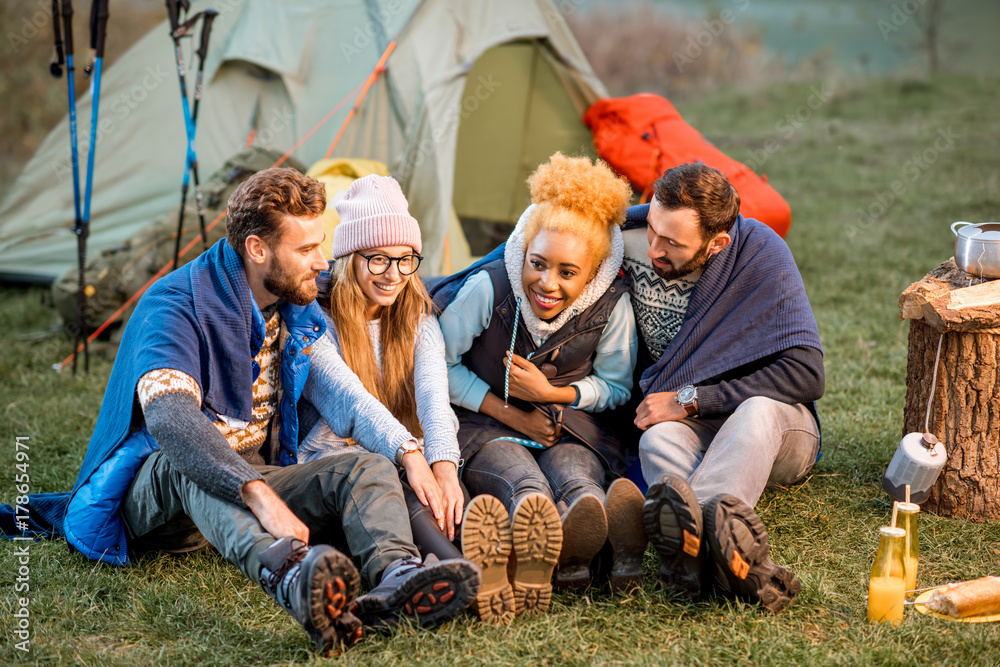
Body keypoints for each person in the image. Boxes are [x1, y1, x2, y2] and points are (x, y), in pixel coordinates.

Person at [61, 168, 479, 656]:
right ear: (258, 249)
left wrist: (413, 452)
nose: (323, 263)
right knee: (190, 456)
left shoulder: (293, 304)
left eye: (321, 245)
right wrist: (257, 493)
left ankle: (397, 579)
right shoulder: (174, 305)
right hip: (161, 497)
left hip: (254, 476)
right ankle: (291, 574)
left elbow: (359, 382)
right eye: (307, 251)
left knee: (365, 466)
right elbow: (172, 419)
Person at [435, 153, 647, 622]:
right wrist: (509, 411)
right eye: (537, 264)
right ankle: (545, 531)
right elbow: (437, 366)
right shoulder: (488, 289)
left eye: (567, 273)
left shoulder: (613, 307)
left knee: (577, 475)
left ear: (592, 274)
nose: (546, 284)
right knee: (523, 481)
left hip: (568, 425)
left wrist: (553, 396)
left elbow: (615, 386)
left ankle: (587, 531)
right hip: (487, 422)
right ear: (523, 251)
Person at [623, 162, 824, 613]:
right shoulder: (630, 233)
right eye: (652, 228)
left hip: (778, 433)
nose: (654, 247)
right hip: (701, 435)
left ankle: (696, 544)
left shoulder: (761, 254)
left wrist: (693, 401)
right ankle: (726, 558)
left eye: (672, 243)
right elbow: (535, 238)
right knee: (655, 440)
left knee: (756, 410)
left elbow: (807, 374)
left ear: (717, 243)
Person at [297, 174, 466, 561]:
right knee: (390, 477)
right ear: (349, 258)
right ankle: (460, 567)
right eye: (378, 259)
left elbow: (433, 398)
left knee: (446, 485)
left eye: (405, 259)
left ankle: (485, 554)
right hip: (337, 458)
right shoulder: (315, 322)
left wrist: (442, 465)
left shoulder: (419, 318)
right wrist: (410, 456)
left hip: (404, 446)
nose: (394, 275)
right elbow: (351, 400)